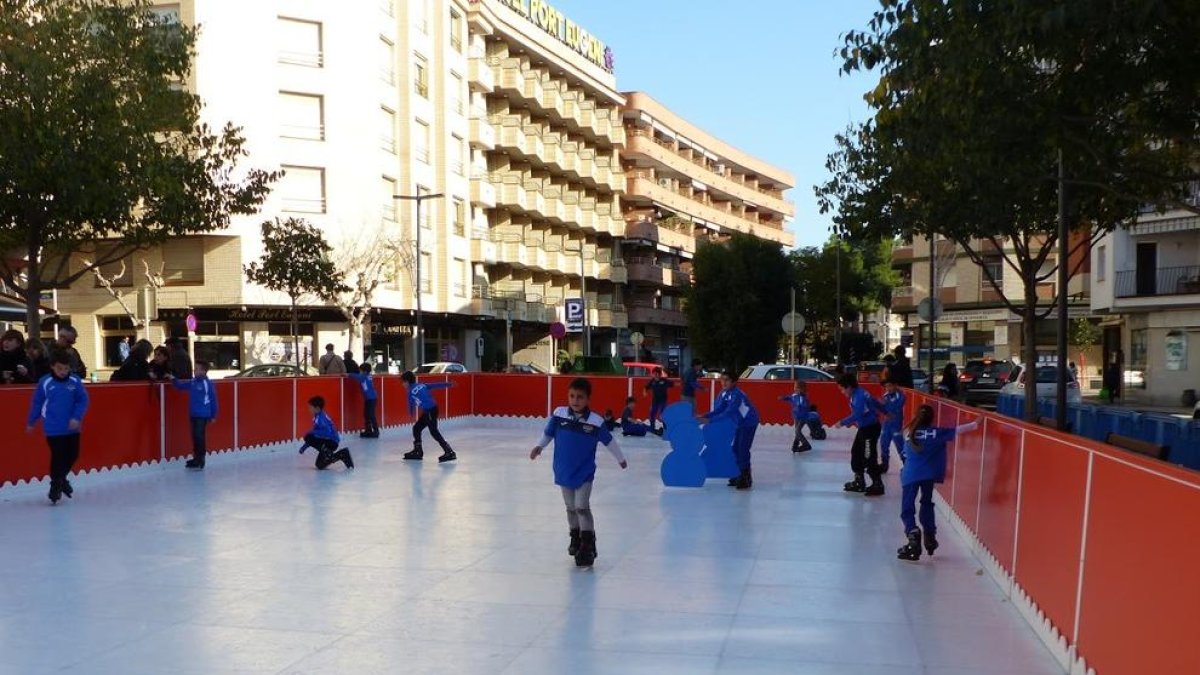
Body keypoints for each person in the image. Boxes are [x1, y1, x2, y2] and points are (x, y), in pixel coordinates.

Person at [529, 377, 627, 567]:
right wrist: (539, 447)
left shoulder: (596, 422)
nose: (575, 400)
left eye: (580, 397)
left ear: (588, 399)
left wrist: (620, 459)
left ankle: (587, 544)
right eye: (572, 396)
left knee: (581, 506)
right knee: (570, 507)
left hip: (584, 472)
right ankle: (575, 537)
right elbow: (548, 433)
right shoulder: (559, 415)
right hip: (564, 470)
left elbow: (609, 442)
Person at [896, 404, 979, 561]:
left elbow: (905, 454)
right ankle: (930, 534)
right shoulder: (937, 433)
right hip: (928, 475)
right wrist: (977, 422)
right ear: (932, 418)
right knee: (926, 503)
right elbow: (960, 429)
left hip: (910, 475)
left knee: (907, 508)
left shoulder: (908, 433)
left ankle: (913, 534)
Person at [26, 351, 89, 504]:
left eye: (66, 369)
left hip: (72, 427)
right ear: (52, 367)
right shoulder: (45, 382)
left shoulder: (75, 381)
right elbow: (37, 403)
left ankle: (60, 479)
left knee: (73, 455)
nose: (63, 372)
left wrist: (76, 417)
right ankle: (56, 486)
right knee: (58, 456)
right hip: (53, 427)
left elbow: (83, 400)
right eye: (60, 368)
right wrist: (31, 421)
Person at [700, 370, 759, 490]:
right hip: (739, 423)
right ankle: (738, 473)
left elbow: (728, 413)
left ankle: (745, 477)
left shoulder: (737, 395)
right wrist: (705, 416)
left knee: (742, 449)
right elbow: (719, 409)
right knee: (735, 449)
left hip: (748, 423)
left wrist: (710, 421)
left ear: (734, 382)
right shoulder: (724, 394)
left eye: (727, 380)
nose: (723, 382)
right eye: (722, 379)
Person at [835, 374, 885, 496]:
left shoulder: (859, 397)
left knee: (869, 456)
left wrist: (842, 422)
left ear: (849, 387)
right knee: (856, 452)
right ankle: (859, 481)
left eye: (842, 389)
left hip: (870, 429)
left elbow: (857, 415)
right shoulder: (859, 393)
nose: (842, 392)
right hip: (864, 428)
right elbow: (874, 401)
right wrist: (885, 412)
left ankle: (877, 484)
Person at [169, 360, 218, 469]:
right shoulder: (193, 382)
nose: (194, 370)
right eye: (194, 369)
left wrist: (213, 415)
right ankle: (196, 458)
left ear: (204, 371)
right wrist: (172, 378)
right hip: (193, 414)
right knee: (194, 436)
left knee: (199, 436)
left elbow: (213, 399)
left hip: (203, 415)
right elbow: (180, 386)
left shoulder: (207, 384)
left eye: (196, 369)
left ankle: (201, 458)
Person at [401, 371, 456, 462]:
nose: (402, 384)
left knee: (433, 431)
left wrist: (411, 413)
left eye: (403, 382)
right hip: (432, 409)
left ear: (407, 381)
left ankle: (449, 452)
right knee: (416, 428)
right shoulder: (422, 385)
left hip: (429, 411)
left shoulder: (410, 391)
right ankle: (418, 451)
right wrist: (449, 384)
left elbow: (410, 404)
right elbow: (436, 385)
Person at [299, 395, 354, 470]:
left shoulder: (321, 418)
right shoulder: (317, 417)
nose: (309, 409)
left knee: (308, 436)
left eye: (310, 407)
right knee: (319, 465)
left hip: (331, 442)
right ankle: (342, 454)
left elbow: (327, 432)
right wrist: (304, 447)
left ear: (317, 408)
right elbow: (314, 436)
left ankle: (328, 453)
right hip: (328, 444)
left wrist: (312, 432)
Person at [877, 379, 907, 473]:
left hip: (896, 424)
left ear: (895, 385)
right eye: (886, 387)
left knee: (899, 445)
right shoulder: (885, 396)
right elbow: (882, 408)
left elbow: (897, 408)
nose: (888, 388)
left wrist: (886, 405)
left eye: (890, 386)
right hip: (886, 424)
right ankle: (884, 465)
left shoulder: (900, 395)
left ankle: (906, 465)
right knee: (883, 443)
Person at [779, 379, 813, 453]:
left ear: (800, 389)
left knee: (797, 431)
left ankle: (806, 445)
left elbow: (806, 405)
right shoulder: (794, 395)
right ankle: (795, 446)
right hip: (796, 416)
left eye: (796, 387)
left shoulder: (803, 397)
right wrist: (783, 398)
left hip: (803, 417)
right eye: (794, 387)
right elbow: (789, 397)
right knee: (797, 431)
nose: (794, 388)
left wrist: (802, 399)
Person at [347, 363, 379, 438]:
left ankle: (376, 431)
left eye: (360, 370)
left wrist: (345, 374)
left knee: (370, 415)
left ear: (364, 371)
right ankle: (368, 430)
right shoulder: (368, 376)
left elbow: (353, 376)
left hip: (371, 398)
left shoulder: (363, 377)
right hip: (370, 398)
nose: (359, 371)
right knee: (367, 414)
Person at [643, 367, 673, 435]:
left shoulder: (664, 380)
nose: (656, 375)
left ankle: (666, 428)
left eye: (657, 373)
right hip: (655, 401)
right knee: (652, 414)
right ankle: (652, 427)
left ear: (659, 374)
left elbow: (673, 384)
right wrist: (645, 392)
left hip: (663, 400)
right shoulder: (652, 381)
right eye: (654, 373)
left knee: (663, 415)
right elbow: (646, 387)